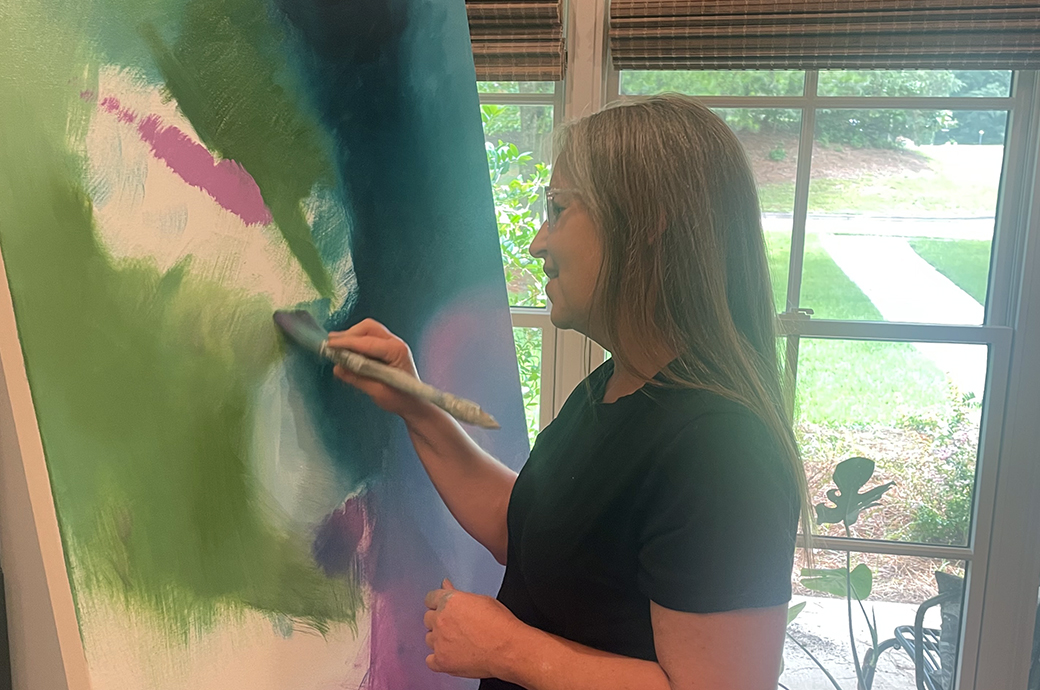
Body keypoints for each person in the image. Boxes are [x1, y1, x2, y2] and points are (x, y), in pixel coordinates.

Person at [327, 94, 807, 690]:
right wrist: (413, 402)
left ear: (647, 218)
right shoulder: (617, 385)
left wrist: (510, 651)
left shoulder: (723, 448)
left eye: (558, 209)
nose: (537, 243)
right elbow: (531, 528)